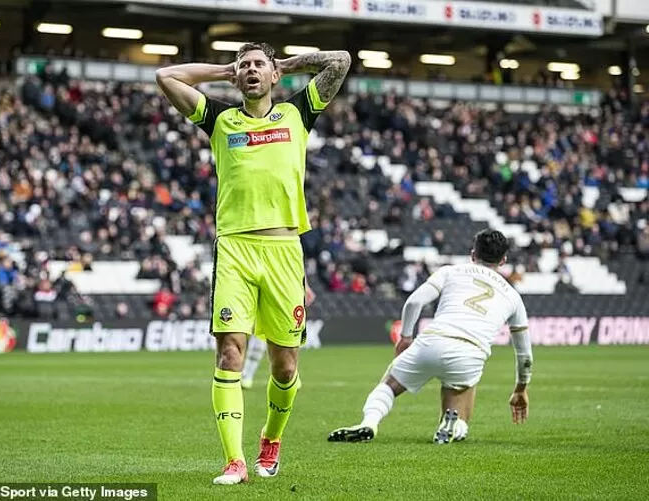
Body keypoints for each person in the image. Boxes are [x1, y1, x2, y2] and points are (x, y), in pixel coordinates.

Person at [156, 43, 351, 485]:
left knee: (285, 366)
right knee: (230, 354)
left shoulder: (297, 113)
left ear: (273, 75)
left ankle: (271, 441)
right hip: (235, 250)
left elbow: (341, 61)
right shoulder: (221, 119)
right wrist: (221, 70)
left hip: (284, 252)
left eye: (257, 64)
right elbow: (167, 77)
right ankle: (234, 461)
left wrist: (289, 63)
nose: (250, 70)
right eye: (244, 65)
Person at [328, 229, 533, 444]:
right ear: (503, 261)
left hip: (433, 340)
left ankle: (369, 422)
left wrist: (406, 337)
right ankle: (455, 425)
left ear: (473, 254)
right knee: (463, 393)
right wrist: (521, 388)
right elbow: (524, 354)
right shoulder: (513, 297)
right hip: (470, 352)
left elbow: (414, 302)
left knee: (388, 385)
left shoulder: (451, 271)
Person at [241, 283, 316, 390]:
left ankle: (291, 370)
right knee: (261, 328)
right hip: (263, 281)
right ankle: (247, 374)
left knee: (287, 327)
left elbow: (296, 265)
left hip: (286, 283)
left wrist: (305, 285)